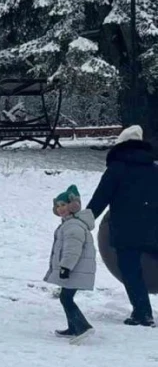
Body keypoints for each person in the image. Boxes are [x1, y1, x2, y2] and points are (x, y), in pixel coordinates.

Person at [86, 125, 158, 327]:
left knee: (130, 270)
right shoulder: (154, 169)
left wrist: (84, 220)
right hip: (154, 227)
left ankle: (142, 312)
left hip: (126, 228)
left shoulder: (116, 169)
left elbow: (101, 198)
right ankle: (142, 313)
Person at [44, 185, 97, 340]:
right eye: (58, 205)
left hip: (74, 269)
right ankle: (73, 328)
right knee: (65, 297)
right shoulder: (70, 223)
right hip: (75, 269)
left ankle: (83, 327)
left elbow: (72, 250)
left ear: (74, 205)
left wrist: (65, 267)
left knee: (66, 298)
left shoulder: (73, 225)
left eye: (64, 205)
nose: (60, 209)